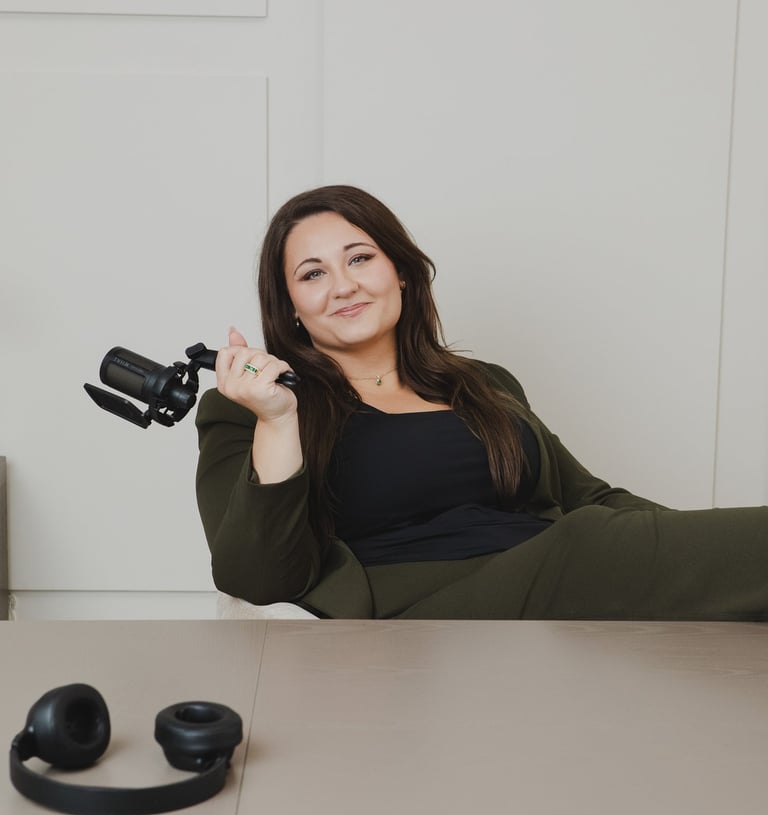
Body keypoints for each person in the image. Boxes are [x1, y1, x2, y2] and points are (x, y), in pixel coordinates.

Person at [195, 184, 768, 620]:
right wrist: (276, 420)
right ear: (291, 306)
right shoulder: (251, 409)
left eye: (360, 258)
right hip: (424, 610)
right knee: (586, 542)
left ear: (401, 273)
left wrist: (703, 550)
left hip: (552, 576)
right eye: (313, 273)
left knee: (627, 549)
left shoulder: (483, 384)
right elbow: (257, 578)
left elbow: (592, 498)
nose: (344, 285)